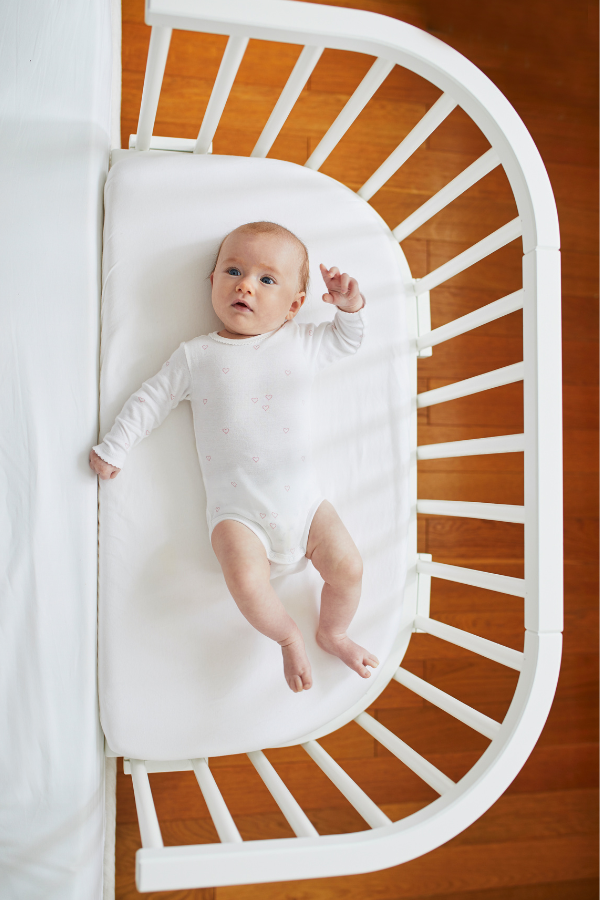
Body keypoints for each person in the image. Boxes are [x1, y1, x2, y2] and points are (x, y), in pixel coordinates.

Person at [90, 221, 379, 693]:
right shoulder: (196, 355)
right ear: (212, 283)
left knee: (349, 569)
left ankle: (334, 631)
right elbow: (151, 400)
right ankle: (287, 635)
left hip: (306, 508)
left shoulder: (301, 343)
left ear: (294, 306)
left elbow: (347, 340)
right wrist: (116, 444)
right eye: (233, 270)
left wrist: (350, 307)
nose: (245, 284)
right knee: (245, 579)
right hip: (238, 513)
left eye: (267, 279)